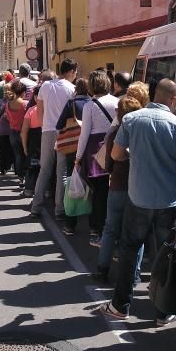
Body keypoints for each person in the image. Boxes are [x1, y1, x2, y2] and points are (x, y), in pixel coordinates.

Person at [99, 78, 176, 324]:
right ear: (173, 99)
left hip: (138, 197)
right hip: (169, 200)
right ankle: (163, 311)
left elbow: (116, 154)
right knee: (164, 255)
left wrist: (137, 153)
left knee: (130, 250)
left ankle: (120, 305)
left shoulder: (132, 119)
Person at [93, 93, 145, 282]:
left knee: (111, 228)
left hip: (117, 185)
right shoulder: (143, 134)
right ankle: (134, 274)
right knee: (136, 234)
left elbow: (109, 165)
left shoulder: (115, 133)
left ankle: (102, 269)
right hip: (138, 187)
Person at [69, 70, 117, 244]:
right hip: (114, 147)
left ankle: (96, 228)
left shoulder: (90, 105)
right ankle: (109, 227)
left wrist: (78, 156)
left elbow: (85, 133)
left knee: (98, 192)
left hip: (95, 150)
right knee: (112, 190)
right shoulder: (118, 102)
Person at [31, 59, 79, 219]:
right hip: (64, 132)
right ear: (71, 72)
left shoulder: (45, 86)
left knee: (44, 169)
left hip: (47, 130)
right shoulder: (72, 89)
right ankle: (60, 209)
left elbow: (39, 110)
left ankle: (36, 206)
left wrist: (44, 126)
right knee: (62, 172)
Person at [20, 88, 44, 198]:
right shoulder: (50, 110)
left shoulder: (31, 110)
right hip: (45, 141)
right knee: (45, 167)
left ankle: (29, 189)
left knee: (32, 166)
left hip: (33, 144)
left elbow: (24, 132)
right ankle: (46, 190)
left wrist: (25, 147)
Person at [5, 81, 30, 186]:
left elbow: (7, 117)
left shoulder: (8, 104)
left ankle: (21, 177)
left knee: (18, 156)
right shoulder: (25, 104)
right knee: (27, 154)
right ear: (23, 92)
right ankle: (29, 176)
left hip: (13, 132)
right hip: (25, 132)